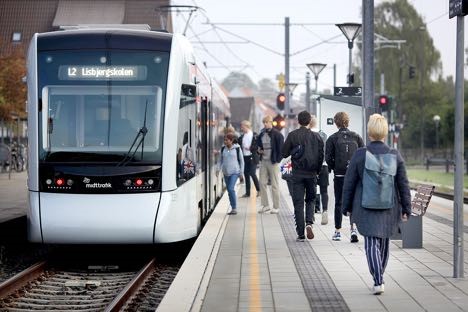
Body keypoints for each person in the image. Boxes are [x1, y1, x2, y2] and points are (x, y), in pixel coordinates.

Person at [342, 113, 411, 295]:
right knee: (384, 242)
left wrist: (346, 207)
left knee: (371, 242)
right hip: (390, 207)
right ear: (385, 132)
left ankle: (377, 279)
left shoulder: (360, 154)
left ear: (370, 132)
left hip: (365, 207)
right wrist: (406, 208)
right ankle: (379, 276)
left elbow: (349, 183)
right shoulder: (395, 155)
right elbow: (403, 184)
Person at [281, 111, 324, 241]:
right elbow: (321, 156)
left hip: (297, 174)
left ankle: (300, 234)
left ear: (298, 121)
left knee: (298, 203)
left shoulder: (292, 135)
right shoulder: (317, 137)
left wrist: (293, 151)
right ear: (309, 121)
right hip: (311, 174)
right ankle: (309, 223)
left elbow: (284, 153)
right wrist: (317, 171)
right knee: (311, 200)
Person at [326, 111, 364, 242]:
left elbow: (328, 157)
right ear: (347, 121)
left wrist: (333, 168)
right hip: (354, 175)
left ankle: (337, 231)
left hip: (340, 174)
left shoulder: (332, 138)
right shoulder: (356, 137)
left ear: (336, 123)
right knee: (353, 202)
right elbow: (363, 155)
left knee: (339, 202)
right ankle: (353, 229)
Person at [257, 115, 284, 214]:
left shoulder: (277, 134)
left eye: (267, 122)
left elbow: (282, 149)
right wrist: (258, 151)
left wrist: (277, 160)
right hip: (263, 161)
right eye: (264, 122)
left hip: (273, 162)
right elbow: (258, 146)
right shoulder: (261, 134)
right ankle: (265, 205)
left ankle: (276, 206)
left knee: (274, 184)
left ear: (271, 122)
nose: (265, 124)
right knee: (262, 183)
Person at [217, 133, 244, 215]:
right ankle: (233, 208)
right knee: (229, 190)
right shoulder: (223, 149)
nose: (225, 142)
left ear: (231, 141)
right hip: (226, 172)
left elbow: (241, 161)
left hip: (235, 172)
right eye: (224, 140)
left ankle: (234, 208)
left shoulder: (237, 148)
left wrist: (241, 173)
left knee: (230, 188)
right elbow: (220, 160)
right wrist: (218, 169)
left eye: (227, 140)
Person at [309, 115, 329, 225]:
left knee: (311, 190)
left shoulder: (307, 135)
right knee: (324, 190)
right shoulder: (324, 135)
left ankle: (311, 214)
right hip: (324, 166)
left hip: (311, 167)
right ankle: (324, 210)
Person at [238, 120, 260, 198]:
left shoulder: (254, 135)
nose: (241, 128)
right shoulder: (242, 137)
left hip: (252, 157)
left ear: (246, 126)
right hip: (244, 157)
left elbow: (257, 145)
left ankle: (259, 190)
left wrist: (251, 148)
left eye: (242, 126)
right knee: (246, 174)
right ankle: (247, 193)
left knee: (252, 173)